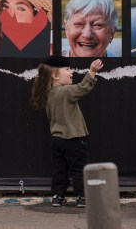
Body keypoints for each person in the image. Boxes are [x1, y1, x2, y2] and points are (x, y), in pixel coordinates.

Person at [30, 54, 104, 208]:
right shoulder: (66, 91)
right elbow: (83, 88)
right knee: (79, 169)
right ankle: (82, 197)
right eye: (68, 69)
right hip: (74, 138)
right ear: (55, 76)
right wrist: (92, 72)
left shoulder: (49, 94)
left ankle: (57, 197)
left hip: (56, 140)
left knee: (60, 170)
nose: (72, 72)